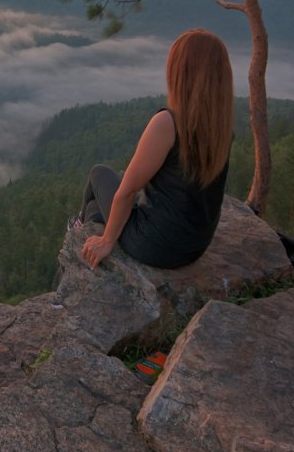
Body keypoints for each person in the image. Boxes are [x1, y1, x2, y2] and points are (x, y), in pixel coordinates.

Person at [73, 29, 234, 271]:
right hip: (195, 245)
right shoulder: (221, 126)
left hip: (156, 245)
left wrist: (107, 241)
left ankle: (78, 227)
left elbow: (127, 191)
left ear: (181, 73)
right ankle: (88, 222)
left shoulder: (167, 123)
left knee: (100, 174)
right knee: (97, 208)